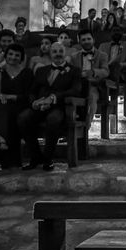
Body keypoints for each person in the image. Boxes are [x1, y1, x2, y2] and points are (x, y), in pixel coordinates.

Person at [18, 42, 82, 171]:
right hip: (40, 106)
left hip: (59, 107)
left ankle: (48, 159)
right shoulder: (41, 70)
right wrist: (34, 102)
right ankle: (35, 157)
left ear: (65, 53)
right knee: (22, 118)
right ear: (50, 54)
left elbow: (76, 90)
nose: (58, 54)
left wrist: (53, 98)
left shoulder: (74, 71)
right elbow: (32, 91)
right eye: (55, 52)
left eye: (60, 51)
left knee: (53, 119)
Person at [0, 43, 34, 173]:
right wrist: (1, 97)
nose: (13, 57)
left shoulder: (27, 73)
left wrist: (9, 97)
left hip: (20, 106)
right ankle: (2, 141)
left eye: (17, 55)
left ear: (21, 58)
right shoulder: (0, 73)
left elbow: (28, 97)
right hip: (3, 106)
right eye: (10, 54)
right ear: (6, 56)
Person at [70, 30, 109, 127]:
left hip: (93, 86)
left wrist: (93, 72)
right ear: (79, 42)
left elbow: (105, 71)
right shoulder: (74, 57)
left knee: (91, 98)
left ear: (93, 40)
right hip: (77, 86)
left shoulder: (102, 55)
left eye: (88, 39)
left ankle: (85, 128)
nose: (86, 41)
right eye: (83, 40)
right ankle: (70, 128)